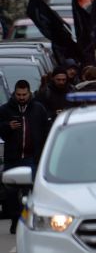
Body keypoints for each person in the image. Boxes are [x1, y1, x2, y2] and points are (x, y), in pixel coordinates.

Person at [0, 80, 50, 234]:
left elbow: (46, 130)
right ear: (14, 93)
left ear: (29, 93)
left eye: (24, 94)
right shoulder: (5, 110)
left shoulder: (38, 109)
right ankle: (15, 220)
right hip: (12, 157)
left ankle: (28, 220)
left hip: (30, 157)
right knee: (11, 192)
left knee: (29, 190)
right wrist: (8, 127)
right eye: (19, 94)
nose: (21, 97)